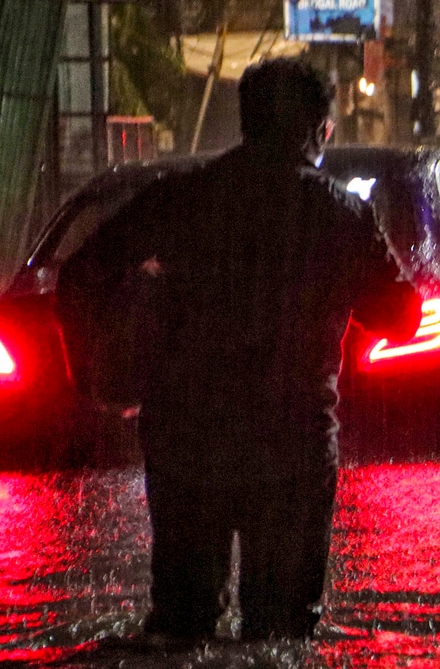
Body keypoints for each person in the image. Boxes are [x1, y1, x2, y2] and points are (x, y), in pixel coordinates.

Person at [58, 58, 419, 646]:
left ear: (246, 123)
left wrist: (96, 379)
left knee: (179, 626)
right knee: (279, 635)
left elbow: (80, 276)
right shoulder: (339, 214)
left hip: (186, 442)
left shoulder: (180, 197)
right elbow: (401, 316)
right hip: (291, 447)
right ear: (318, 132)